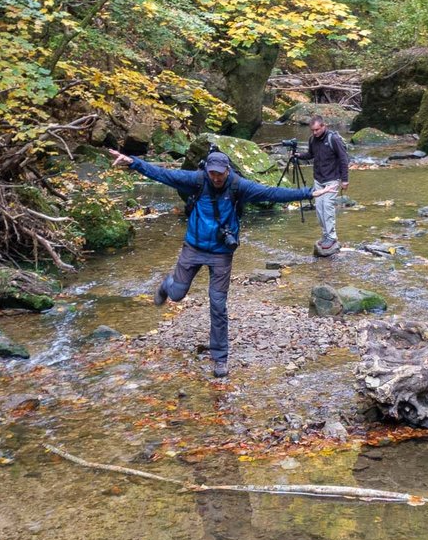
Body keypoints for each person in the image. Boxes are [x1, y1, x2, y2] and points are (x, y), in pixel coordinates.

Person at [109, 148, 337, 378]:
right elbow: (163, 175)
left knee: (218, 306)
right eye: (212, 173)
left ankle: (220, 358)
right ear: (207, 171)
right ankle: (167, 285)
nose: (216, 178)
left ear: (227, 171)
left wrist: (308, 193)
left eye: (219, 174)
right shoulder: (197, 181)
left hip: (221, 253)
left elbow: (271, 192)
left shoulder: (239, 186)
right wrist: (133, 162)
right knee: (177, 294)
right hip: (193, 248)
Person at [294, 115, 349, 253]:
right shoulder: (312, 139)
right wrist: (299, 156)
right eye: (312, 130)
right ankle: (325, 235)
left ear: (324, 126)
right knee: (319, 210)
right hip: (318, 180)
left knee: (327, 208)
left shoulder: (333, 139)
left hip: (332, 179)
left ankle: (332, 237)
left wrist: (345, 179)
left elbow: (343, 159)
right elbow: (311, 154)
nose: (315, 132)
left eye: (317, 129)